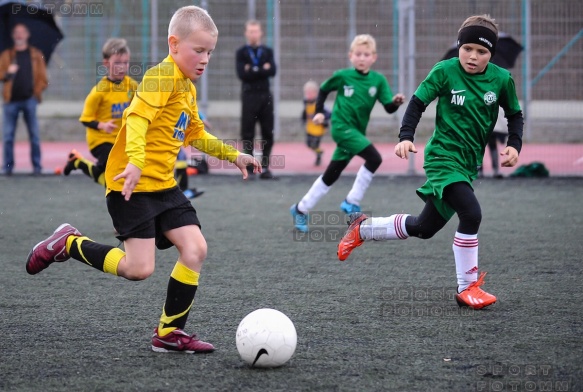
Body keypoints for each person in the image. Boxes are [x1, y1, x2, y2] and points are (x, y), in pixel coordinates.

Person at [25, 6, 261, 353]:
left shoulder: (186, 88)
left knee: (195, 248)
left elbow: (195, 133)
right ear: (173, 43)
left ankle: (168, 333)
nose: (205, 59)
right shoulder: (161, 77)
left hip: (164, 186)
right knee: (138, 269)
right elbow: (136, 119)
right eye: (198, 50)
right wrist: (135, 162)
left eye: (210, 52)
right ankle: (68, 243)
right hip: (129, 185)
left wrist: (233, 155)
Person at [337, 15, 524, 310]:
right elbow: (417, 102)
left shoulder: (501, 79)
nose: (473, 56)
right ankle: (467, 287)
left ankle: (362, 228)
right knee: (471, 213)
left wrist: (514, 145)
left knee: (424, 227)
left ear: (492, 53)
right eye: (467, 49)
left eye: (482, 51)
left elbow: (514, 114)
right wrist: (405, 136)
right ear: (458, 46)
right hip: (441, 159)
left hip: (466, 165)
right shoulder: (445, 71)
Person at [290, 34, 405, 232]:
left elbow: (388, 107)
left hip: (356, 132)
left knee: (331, 174)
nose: (362, 58)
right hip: (341, 128)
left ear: (374, 57)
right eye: (358, 54)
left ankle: (301, 209)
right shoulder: (343, 76)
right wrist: (318, 112)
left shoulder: (378, 80)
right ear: (351, 56)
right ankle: (352, 201)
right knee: (374, 158)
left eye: (366, 54)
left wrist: (395, 102)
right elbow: (324, 89)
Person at [63, 38, 138, 186]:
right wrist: (103, 126)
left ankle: (77, 162)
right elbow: (85, 119)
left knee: (111, 180)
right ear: (106, 64)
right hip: (100, 140)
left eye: (126, 62)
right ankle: (78, 162)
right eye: (117, 63)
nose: (122, 67)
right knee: (112, 169)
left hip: (121, 140)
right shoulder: (99, 92)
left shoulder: (132, 86)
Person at [0, 23, 47, 175]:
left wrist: (36, 92)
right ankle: (7, 167)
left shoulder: (35, 54)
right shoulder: (7, 55)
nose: (19, 35)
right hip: (10, 101)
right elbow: (1, 75)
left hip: (29, 100)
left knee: (34, 135)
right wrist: (8, 73)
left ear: (27, 34)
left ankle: (37, 166)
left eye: (22, 32)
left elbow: (43, 78)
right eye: (16, 32)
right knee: (8, 136)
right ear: (13, 35)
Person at [235, 19, 277, 179]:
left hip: (265, 96)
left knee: (268, 131)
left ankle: (265, 166)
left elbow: (272, 70)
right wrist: (261, 69)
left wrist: (252, 69)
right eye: (250, 31)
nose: (253, 34)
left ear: (261, 33)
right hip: (249, 96)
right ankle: (250, 164)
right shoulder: (241, 53)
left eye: (256, 31)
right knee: (247, 132)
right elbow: (241, 74)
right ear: (246, 33)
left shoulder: (267, 51)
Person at [301, 80, 331, 166]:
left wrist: (324, 119)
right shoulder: (305, 102)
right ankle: (319, 152)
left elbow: (329, 113)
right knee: (309, 144)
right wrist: (303, 119)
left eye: (310, 93)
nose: (308, 95)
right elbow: (305, 112)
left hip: (318, 129)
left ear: (316, 93)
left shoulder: (319, 104)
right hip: (310, 128)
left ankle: (318, 156)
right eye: (307, 93)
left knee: (314, 143)